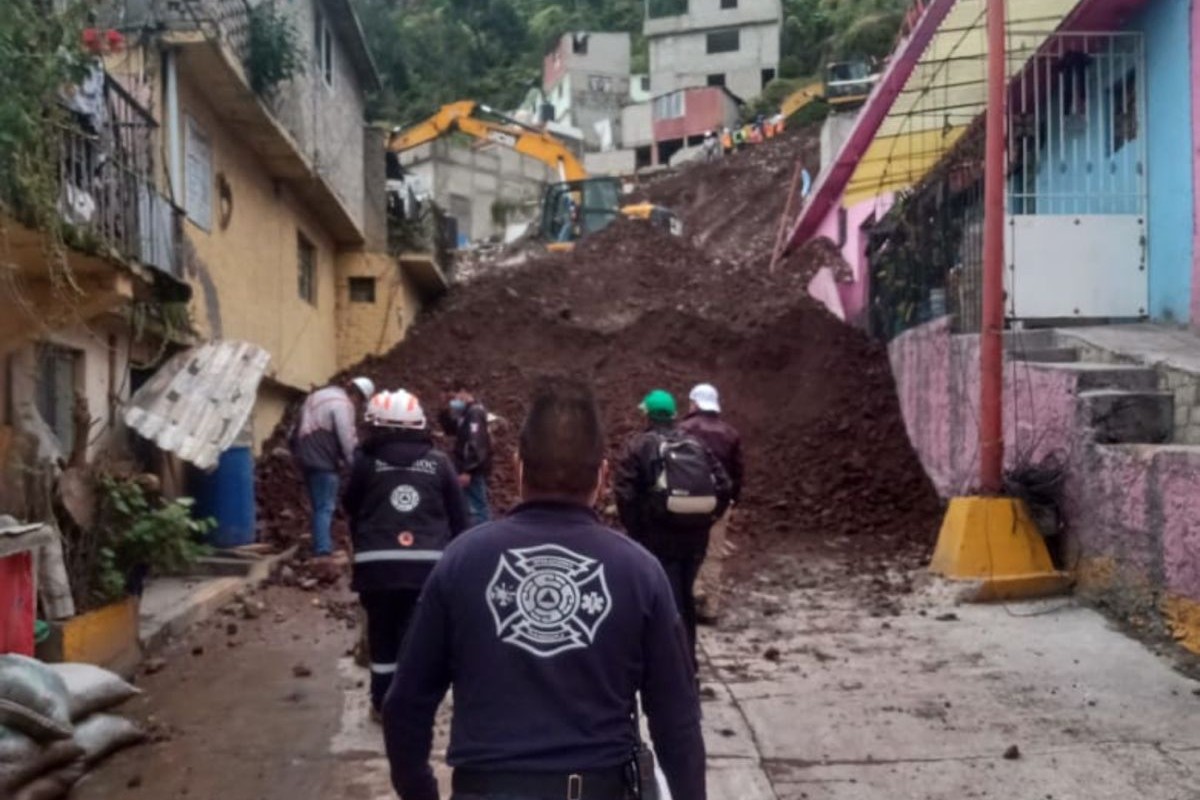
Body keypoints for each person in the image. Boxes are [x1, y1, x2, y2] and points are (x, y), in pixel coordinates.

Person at [384, 379, 705, 800]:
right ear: (604, 476)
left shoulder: (462, 561)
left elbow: (406, 703)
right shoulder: (639, 571)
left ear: (518, 468)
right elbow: (676, 719)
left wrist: (419, 792)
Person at [342, 389, 468, 718]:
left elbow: (350, 506)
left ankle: (383, 705)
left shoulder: (365, 463)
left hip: (376, 568)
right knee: (417, 640)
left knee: (383, 638)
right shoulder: (439, 464)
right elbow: (460, 519)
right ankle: (413, 707)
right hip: (428, 570)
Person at [614, 389, 731, 667]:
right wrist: (707, 518)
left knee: (659, 602)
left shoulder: (638, 446)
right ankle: (687, 661)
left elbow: (624, 493)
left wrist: (638, 532)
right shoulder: (697, 444)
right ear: (673, 414)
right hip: (695, 540)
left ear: (647, 414)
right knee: (686, 600)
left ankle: (663, 664)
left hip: (656, 539)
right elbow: (724, 485)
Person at [678, 383, 744, 625]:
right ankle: (711, 608)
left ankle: (692, 595)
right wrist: (733, 500)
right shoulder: (730, 433)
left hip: (687, 499)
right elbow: (737, 472)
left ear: (695, 403)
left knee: (688, 548)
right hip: (720, 500)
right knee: (713, 554)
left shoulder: (683, 429)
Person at [292, 376, 374, 557]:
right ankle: (322, 549)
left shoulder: (319, 395)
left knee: (318, 505)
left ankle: (319, 542)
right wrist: (354, 462)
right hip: (323, 459)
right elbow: (346, 437)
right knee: (325, 506)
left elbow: (297, 424)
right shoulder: (343, 404)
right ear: (359, 396)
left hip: (304, 454)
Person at [448, 382, 493, 526]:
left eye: (455, 397)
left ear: (463, 392)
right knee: (469, 504)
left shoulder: (475, 412)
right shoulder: (466, 413)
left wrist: (469, 470)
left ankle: (484, 536)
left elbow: (476, 442)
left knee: (478, 506)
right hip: (465, 465)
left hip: (472, 468)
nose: (454, 401)